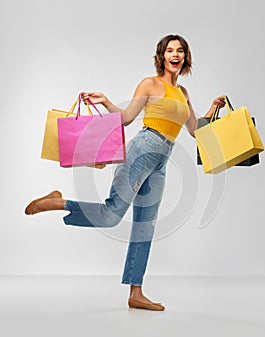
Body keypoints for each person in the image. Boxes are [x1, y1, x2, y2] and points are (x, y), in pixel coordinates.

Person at [25, 34, 225, 311]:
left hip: (162, 160)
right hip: (143, 149)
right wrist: (106, 101)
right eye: (170, 50)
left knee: (145, 227)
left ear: (185, 57)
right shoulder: (150, 83)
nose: (175, 55)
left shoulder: (184, 93)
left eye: (180, 50)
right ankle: (58, 201)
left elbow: (194, 129)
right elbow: (127, 117)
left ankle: (136, 294)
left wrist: (213, 109)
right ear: (162, 56)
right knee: (111, 215)